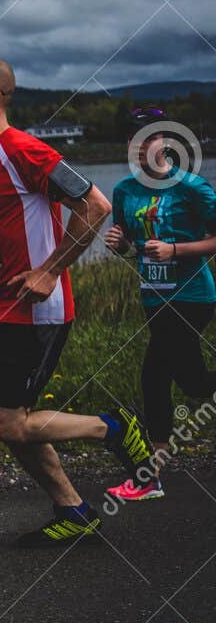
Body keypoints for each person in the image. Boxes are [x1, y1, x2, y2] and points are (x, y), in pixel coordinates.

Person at [0, 56, 153, 547]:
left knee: (6, 420)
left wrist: (50, 270)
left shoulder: (22, 150)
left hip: (33, 311)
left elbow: (96, 206)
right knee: (11, 422)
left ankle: (113, 428)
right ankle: (73, 509)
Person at [101, 107, 216, 501]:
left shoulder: (192, 188)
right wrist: (120, 246)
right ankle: (151, 476)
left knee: (157, 377)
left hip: (192, 296)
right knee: (188, 381)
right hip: (154, 296)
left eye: (147, 138)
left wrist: (176, 249)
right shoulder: (125, 192)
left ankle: (149, 477)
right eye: (133, 140)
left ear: (165, 142)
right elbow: (133, 249)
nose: (138, 147)